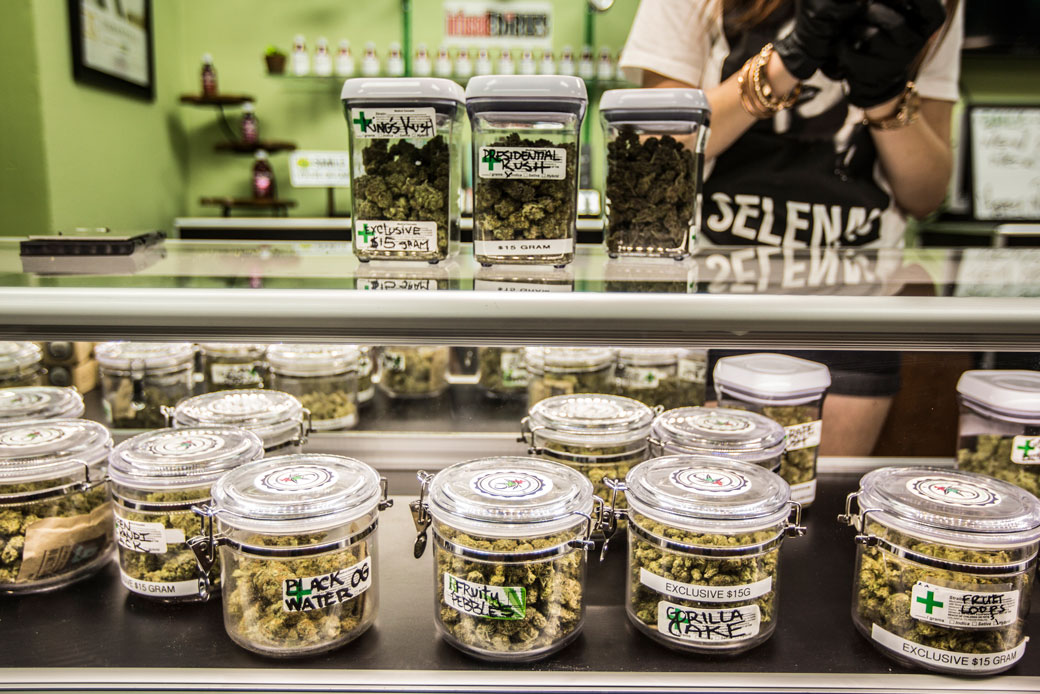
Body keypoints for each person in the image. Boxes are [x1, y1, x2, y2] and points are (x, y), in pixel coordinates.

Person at [619, 0, 964, 455]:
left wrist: (883, 92)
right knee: (706, 508)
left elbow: (925, 195)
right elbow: (656, 154)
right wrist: (787, 60)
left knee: (814, 516)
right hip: (712, 309)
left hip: (854, 313)